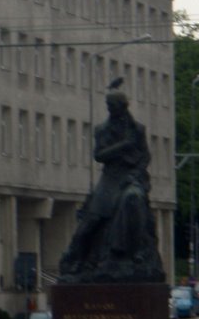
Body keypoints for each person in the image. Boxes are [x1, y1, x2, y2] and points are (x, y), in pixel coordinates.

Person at [59, 88, 162, 283]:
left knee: (133, 199)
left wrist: (136, 174)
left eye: (112, 105)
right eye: (107, 106)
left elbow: (145, 156)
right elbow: (99, 155)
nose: (109, 109)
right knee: (91, 222)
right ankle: (77, 259)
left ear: (122, 107)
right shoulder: (102, 129)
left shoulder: (137, 129)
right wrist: (124, 145)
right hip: (109, 179)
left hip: (130, 178)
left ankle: (136, 250)